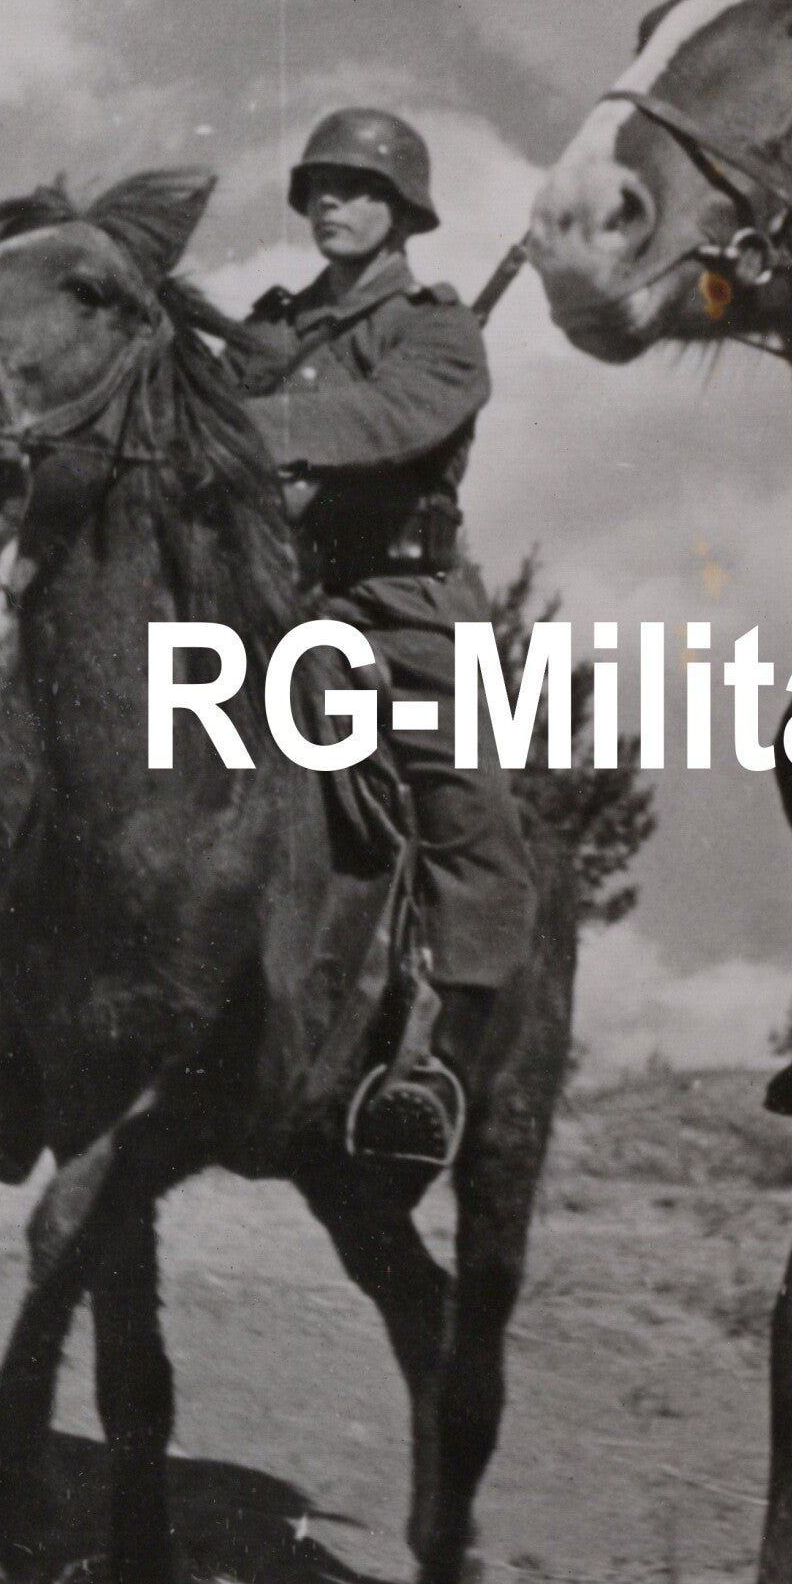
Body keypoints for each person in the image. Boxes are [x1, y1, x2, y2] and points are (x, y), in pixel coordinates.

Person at [242, 107, 537, 1164]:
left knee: (472, 807)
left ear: (403, 210)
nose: (332, 201)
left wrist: (244, 430)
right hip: (278, 591)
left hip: (401, 605)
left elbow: (385, 424)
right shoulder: (268, 329)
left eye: (357, 187)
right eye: (319, 185)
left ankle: (432, 1063)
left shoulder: (438, 333)